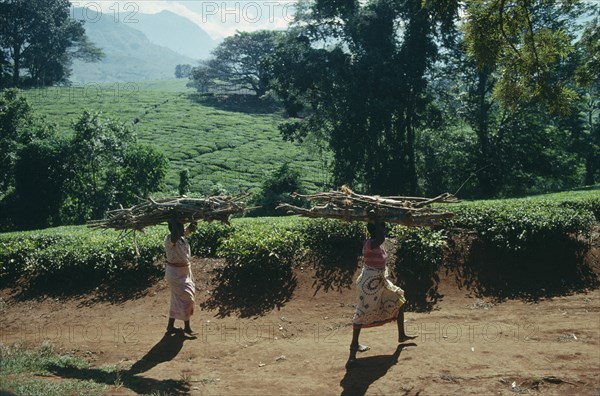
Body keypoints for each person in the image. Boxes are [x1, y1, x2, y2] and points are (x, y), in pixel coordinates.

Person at [346, 220, 417, 368]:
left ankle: (401, 336)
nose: (384, 232)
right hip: (368, 284)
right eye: (382, 229)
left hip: (380, 281)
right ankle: (353, 352)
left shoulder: (378, 245)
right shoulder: (370, 243)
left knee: (399, 301)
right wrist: (375, 219)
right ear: (377, 231)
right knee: (361, 313)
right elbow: (381, 237)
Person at [164, 218, 197, 334]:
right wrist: (173, 221)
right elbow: (174, 236)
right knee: (187, 298)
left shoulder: (182, 238)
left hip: (185, 272)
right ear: (173, 230)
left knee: (176, 299)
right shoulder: (170, 239)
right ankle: (187, 327)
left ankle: (170, 326)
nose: (182, 230)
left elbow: (189, 229)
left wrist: (194, 221)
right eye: (179, 228)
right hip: (175, 274)